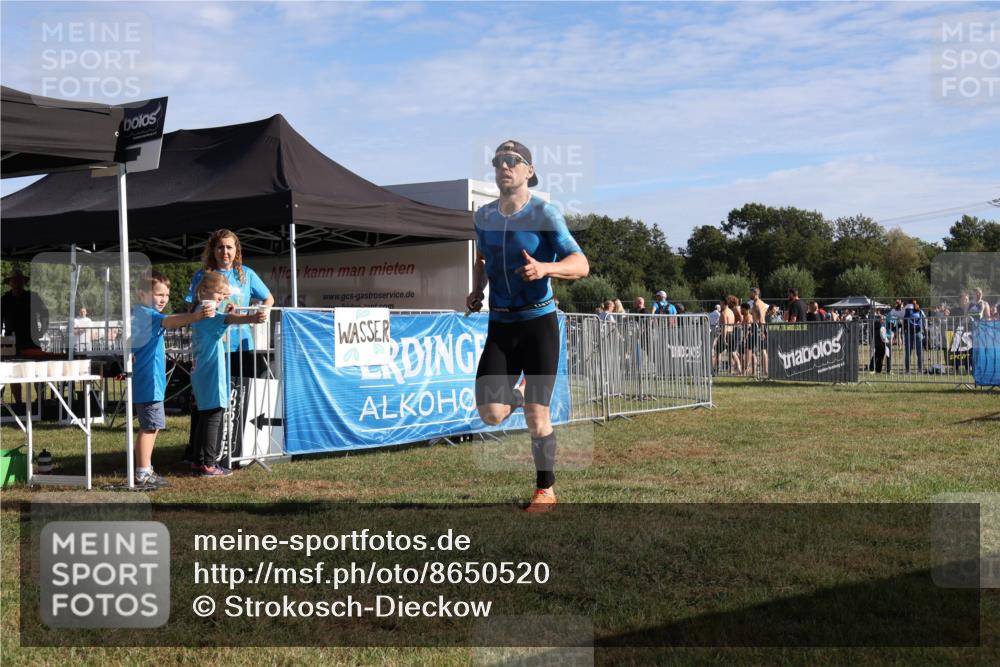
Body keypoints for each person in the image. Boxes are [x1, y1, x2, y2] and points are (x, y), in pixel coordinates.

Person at [467, 139, 589, 512]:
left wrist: (546, 268)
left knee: (539, 417)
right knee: (490, 414)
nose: (504, 166)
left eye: (512, 160)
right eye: (498, 161)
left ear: (528, 171)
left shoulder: (545, 214)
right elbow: (483, 258)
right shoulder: (484, 216)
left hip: (539, 324)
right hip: (501, 326)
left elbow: (580, 264)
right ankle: (516, 396)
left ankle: (545, 490)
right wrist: (476, 290)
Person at [183, 229, 274, 464]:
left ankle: (235, 448)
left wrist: (262, 310)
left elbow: (269, 298)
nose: (225, 252)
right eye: (221, 247)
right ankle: (198, 452)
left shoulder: (246, 275)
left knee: (236, 399)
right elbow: (191, 306)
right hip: (213, 349)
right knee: (207, 401)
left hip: (241, 346)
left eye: (230, 247)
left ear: (237, 250)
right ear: (213, 250)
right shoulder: (202, 275)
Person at [130, 270, 215, 488]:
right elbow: (170, 321)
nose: (163, 299)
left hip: (149, 380)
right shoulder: (148, 315)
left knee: (152, 426)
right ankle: (142, 472)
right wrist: (196, 316)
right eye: (158, 294)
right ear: (142, 295)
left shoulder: (141, 314)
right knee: (150, 427)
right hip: (149, 382)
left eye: (166, 295)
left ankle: (145, 469)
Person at [189, 272, 267, 477]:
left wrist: (226, 310)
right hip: (211, 371)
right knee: (214, 415)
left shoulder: (200, 310)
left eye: (225, 295)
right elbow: (228, 318)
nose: (223, 298)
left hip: (202, 370)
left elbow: (221, 322)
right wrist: (252, 318)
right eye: (220, 294)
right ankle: (209, 464)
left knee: (205, 416)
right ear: (204, 290)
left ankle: (198, 462)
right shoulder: (208, 312)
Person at [1, 269, 49, 406]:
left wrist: (42, 330)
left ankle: (40, 402)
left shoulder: (32, 296)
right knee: (13, 372)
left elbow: (45, 314)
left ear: (23, 282)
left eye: (19, 280)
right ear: (9, 283)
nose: (16, 283)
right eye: (14, 280)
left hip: (31, 341)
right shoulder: (4, 299)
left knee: (38, 372)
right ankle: (18, 404)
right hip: (11, 343)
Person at [903, 299, 925, 373]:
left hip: (914, 332)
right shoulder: (916, 311)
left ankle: (915, 369)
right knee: (912, 352)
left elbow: (924, 322)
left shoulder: (919, 312)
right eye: (913, 303)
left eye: (915, 303)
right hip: (912, 333)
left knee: (915, 352)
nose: (914, 305)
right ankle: (912, 369)